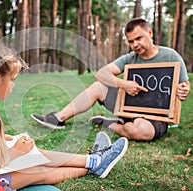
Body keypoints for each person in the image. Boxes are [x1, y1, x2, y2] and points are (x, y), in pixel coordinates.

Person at [0, 42, 128, 191]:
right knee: (39, 170)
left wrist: (4, 140)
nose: (14, 85)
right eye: (13, 79)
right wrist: (18, 151)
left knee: (35, 153)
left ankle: (93, 160)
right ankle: (95, 165)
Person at [31, 18, 190, 142]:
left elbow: (184, 86)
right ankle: (57, 119)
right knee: (98, 86)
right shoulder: (130, 58)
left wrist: (183, 90)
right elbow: (101, 73)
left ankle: (111, 124)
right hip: (128, 106)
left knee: (141, 132)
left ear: (150, 33)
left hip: (155, 117)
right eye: (131, 41)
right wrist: (123, 84)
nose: (135, 44)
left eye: (139, 38)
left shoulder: (171, 56)